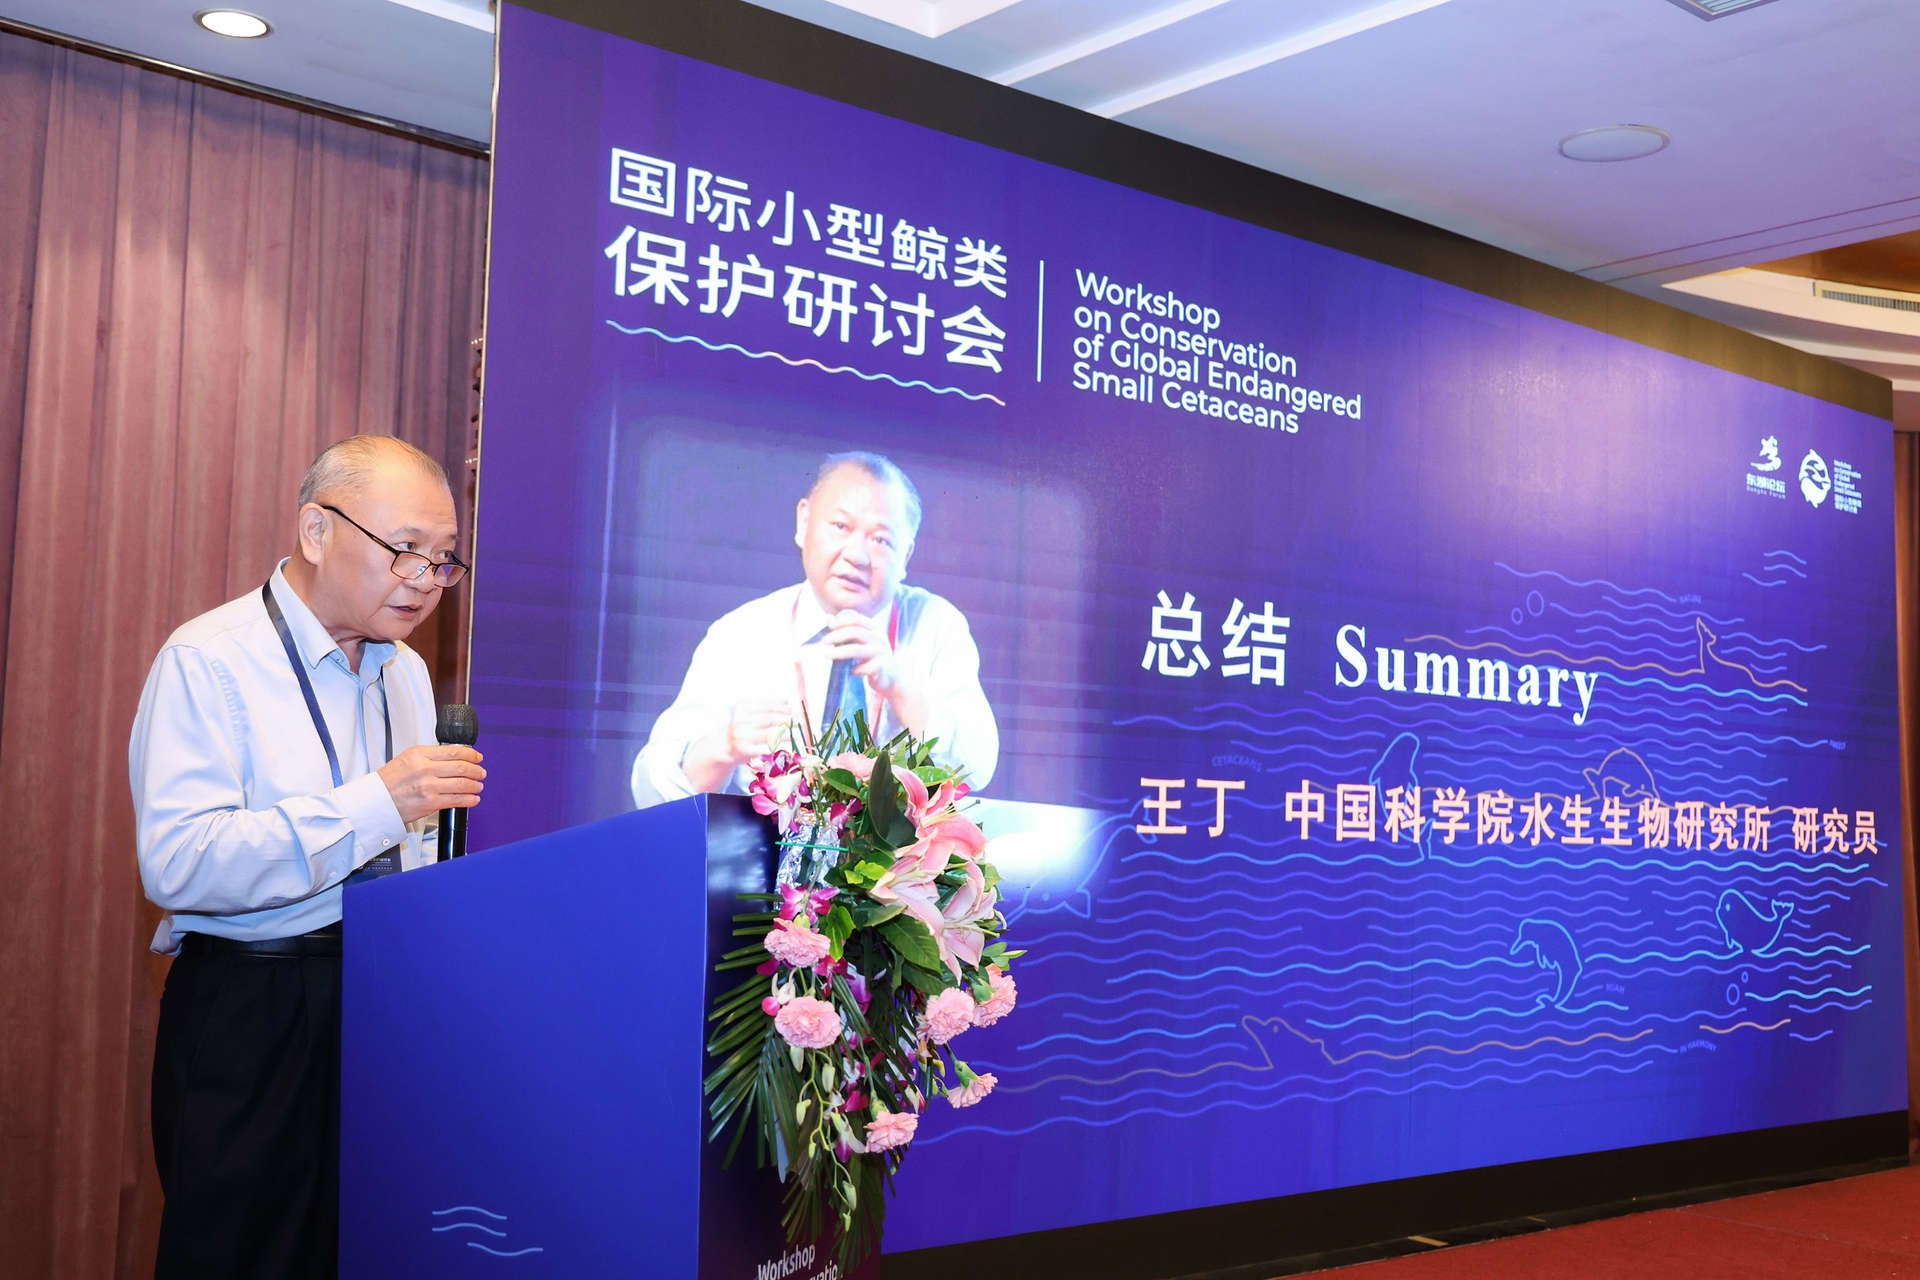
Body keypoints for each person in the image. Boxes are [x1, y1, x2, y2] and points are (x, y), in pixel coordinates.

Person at [130, 435, 485, 1279]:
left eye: (443, 560)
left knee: (364, 1251)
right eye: (405, 549)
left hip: (382, 1000)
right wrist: (378, 802)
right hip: (254, 1006)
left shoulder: (405, 672)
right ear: (317, 531)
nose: (424, 580)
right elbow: (179, 862)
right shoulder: (209, 660)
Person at [631, 451, 998, 808]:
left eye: (881, 540)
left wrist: (900, 686)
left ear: (906, 556)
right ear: (803, 522)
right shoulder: (741, 632)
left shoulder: (935, 625)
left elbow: (977, 768)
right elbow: (652, 788)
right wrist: (723, 747)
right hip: (763, 845)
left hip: (899, 849)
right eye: (840, 527)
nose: (856, 555)